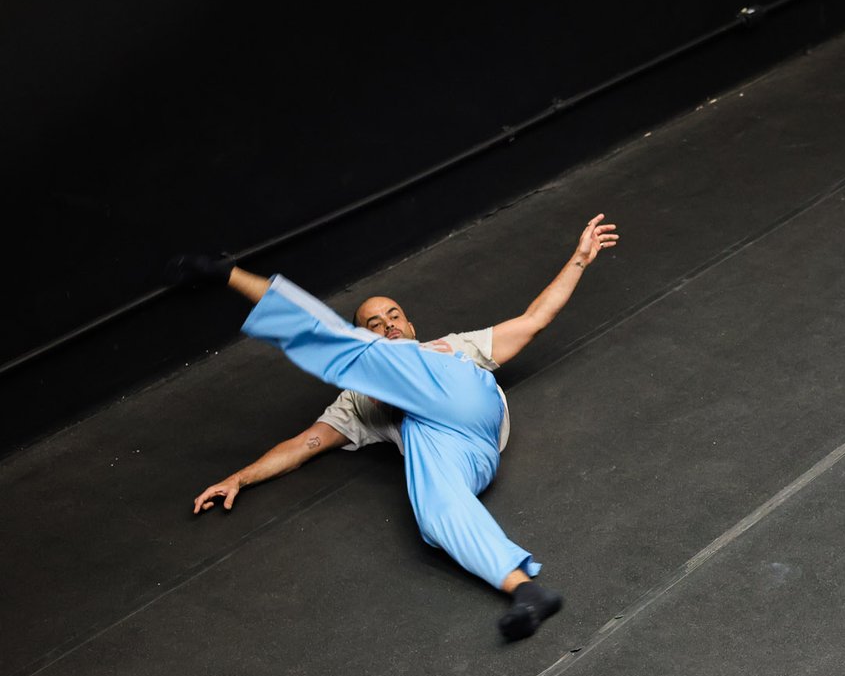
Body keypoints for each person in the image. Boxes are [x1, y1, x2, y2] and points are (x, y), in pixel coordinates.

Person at [182, 214, 618, 640]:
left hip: (466, 395)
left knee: (347, 349)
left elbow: (534, 319)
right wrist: (240, 477)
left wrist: (579, 259)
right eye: (374, 324)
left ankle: (228, 274)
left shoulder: (454, 346)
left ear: (409, 325)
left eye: (393, 317)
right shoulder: (355, 401)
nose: (388, 324)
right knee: (435, 510)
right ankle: (525, 590)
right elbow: (305, 444)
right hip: (460, 453)